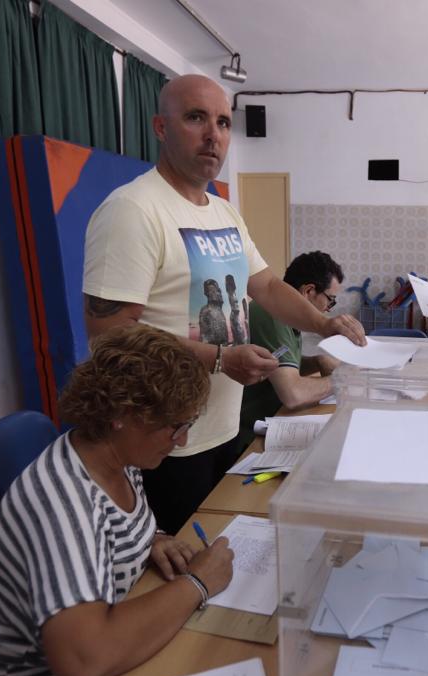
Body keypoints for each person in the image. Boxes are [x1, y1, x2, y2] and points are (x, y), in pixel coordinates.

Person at [82, 74, 365, 535]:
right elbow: (108, 332)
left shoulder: (222, 211)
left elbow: (269, 286)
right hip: (162, 436)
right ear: (160, 127)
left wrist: (323, 321)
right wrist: (217, 358)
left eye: (223, 122)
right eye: (195, 118)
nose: (213, 134)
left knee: (219, 544)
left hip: (221, 422)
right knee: (180, 561)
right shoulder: (133, 211)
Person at [0, 325, 235, 676]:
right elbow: (83, 662)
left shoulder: (119, 458)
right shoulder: (64, 504)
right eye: (175, 426)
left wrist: (151, 538)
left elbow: (113, 532)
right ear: (123, 416)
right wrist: (198, 582)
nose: (182, 441)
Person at [231, 251, 345, 456]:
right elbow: (294, 394)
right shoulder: (273, 316)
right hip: (250, 438)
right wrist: (345, 380)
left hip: (272, 422)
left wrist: (316, 361)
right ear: (309, 291)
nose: (329, 309)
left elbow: (279, 364)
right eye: (331, 300)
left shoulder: (287, 319)